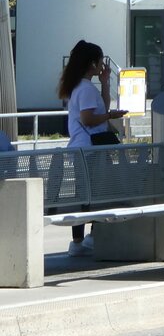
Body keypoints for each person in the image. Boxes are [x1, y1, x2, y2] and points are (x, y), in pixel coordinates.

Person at [57, 40, 125, 256]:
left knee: (84, 194)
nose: (102, 64)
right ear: (91, 63)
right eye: (100, 60)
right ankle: (91, 237)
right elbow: (88, 119)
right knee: (98, 193)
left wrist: (105, 83)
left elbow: (101, 107)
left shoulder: (80, 86)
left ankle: (78, 241)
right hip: (90, 149)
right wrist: (110, 116)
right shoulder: (85, 88)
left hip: (82, 148)